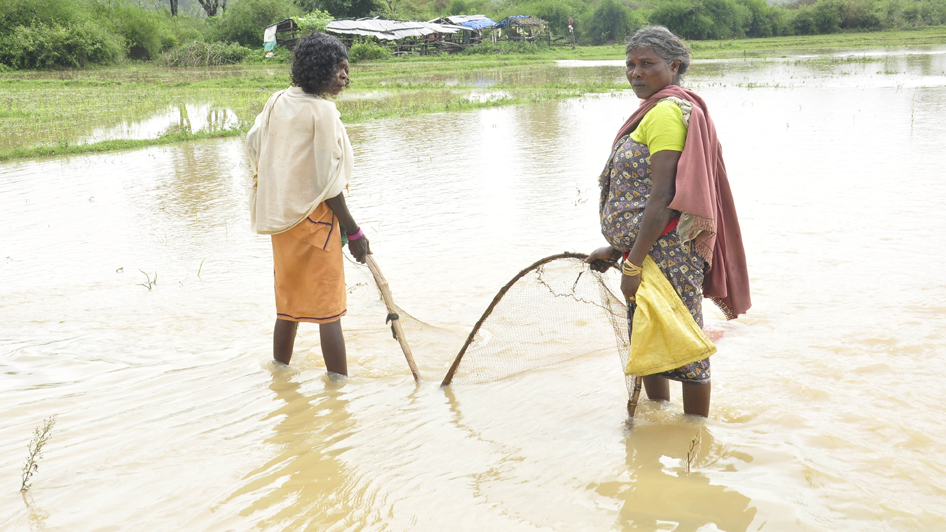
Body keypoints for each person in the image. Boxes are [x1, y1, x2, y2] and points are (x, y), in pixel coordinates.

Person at [586, 26, 750, 417]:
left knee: (684, 345)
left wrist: (633, 264)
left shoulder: (665, 113)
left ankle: (695, 435)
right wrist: (619, 249)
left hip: (666, 256)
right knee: (649, 344)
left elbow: (663, 197)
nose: (635, 73)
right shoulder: (656, 110)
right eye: (630, 65)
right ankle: (657, 418)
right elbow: (648, 198)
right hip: (646, 251)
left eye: (647, 64)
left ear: (673, 66)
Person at [246, 32, 370, 375]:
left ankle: (280, 375)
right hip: (317, 222)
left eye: (347, 69)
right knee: (329, 312)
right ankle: (339, 391)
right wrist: (353, 231)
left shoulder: (277, 101)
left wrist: (285, 184)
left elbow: (255, 143)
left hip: (282, 222)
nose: (346, 76)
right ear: (318, 70)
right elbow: (329, 185)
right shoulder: (323, 113)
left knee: (288, 306)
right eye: (339, 69)